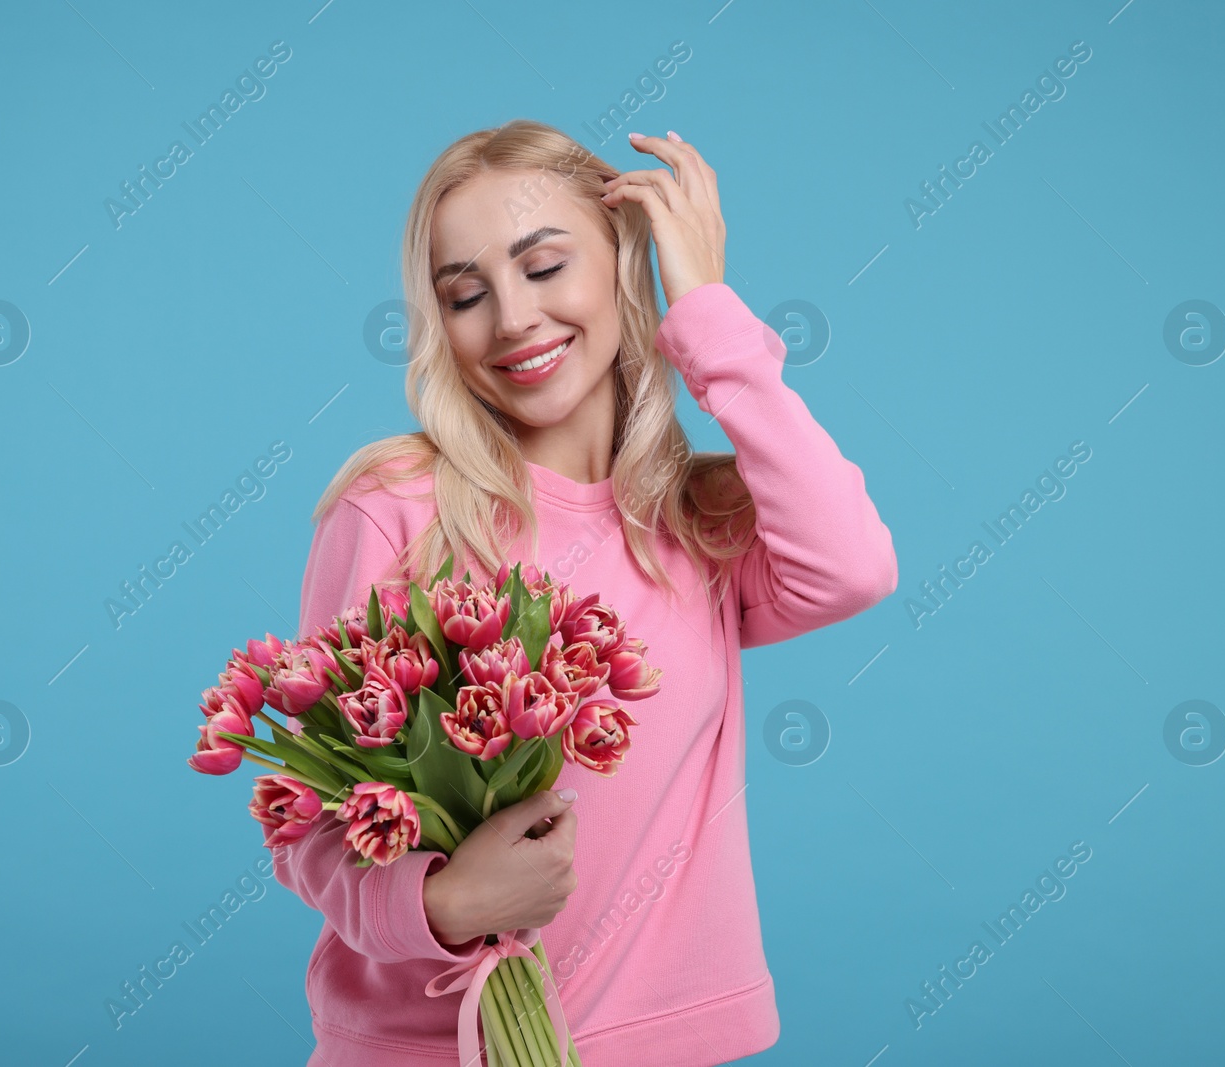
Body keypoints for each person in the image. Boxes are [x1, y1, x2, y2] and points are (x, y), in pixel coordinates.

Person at [274, 118, 898, 1066]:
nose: (514, 318)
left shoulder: (700, 528)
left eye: (545, 266)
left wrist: (710, 314)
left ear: (623, 266)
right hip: (422, 1049)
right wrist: (439, 902)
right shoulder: (397, 512)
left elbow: (852, 566)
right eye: (467, 294)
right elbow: (310, 820)